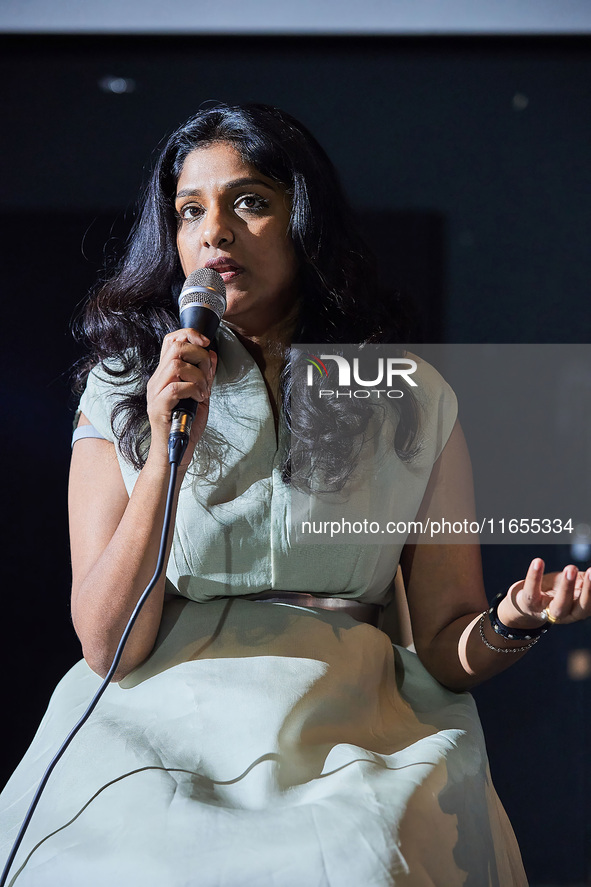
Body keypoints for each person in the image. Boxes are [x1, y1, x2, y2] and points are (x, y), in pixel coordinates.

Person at [1, 103, 589, 886]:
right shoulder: (122, 386)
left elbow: (448, 645)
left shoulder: (411, 395)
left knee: (365, 864)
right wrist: (164, 448)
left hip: (357, 731)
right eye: (189, 210)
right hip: (155, 730)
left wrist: (511, 624)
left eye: (249, 201)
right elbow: (111, 645)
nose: (214, 232)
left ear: (302, 221)